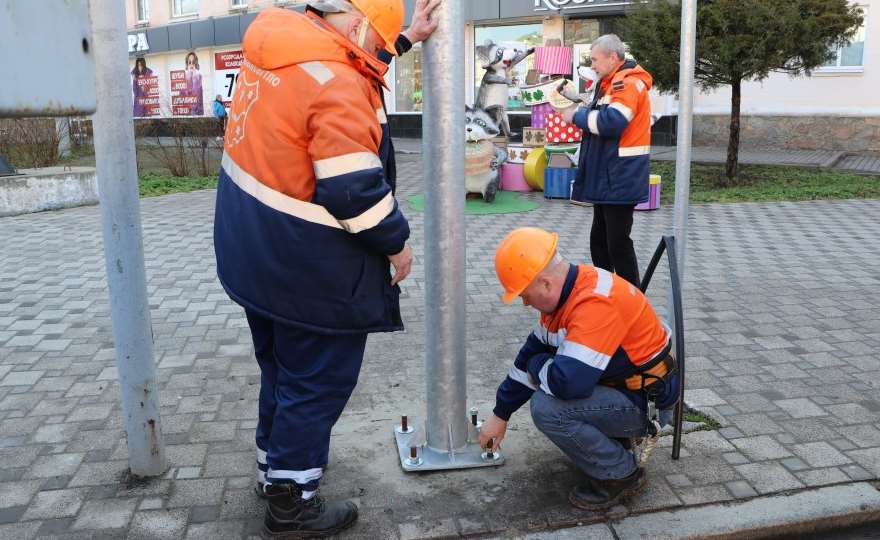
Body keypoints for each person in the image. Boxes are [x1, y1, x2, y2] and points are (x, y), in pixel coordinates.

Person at [213, 0, 436, 537]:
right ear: (356, 25)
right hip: (307, 268)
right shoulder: (335, 82)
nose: (377, 52)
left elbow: (350, 64)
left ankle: (276, 466)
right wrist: (398, 246)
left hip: (254, 254)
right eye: (376, 40)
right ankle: (292, 502)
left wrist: (405, 39)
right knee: (316, 383)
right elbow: (353, 192)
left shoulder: (277, 48)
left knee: (282, 370)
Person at [479, 227, 679, 511]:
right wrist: (501, 414)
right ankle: (614, 441)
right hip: (628, 389)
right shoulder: (568, 294)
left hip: (647, 404)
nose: (524, 303)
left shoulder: (594, 304)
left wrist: (538, 366)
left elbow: (567, 384)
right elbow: (528, 355)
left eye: (525, 294)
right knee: (551, 380)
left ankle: (620, 473)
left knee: (548, 408)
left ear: (546, 284)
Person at [561, 34, 653, 288]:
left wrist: (576, 116)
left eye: (595, 60)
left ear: (613, 57)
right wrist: (579, 106)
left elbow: (612, 122)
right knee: (600, 240)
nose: (592, 65)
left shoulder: (627, 84)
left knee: (617, 242)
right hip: (610, 175)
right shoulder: (610, 83)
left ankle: (631, 298)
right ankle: (608, 292)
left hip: (620, 176)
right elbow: (601, 115)